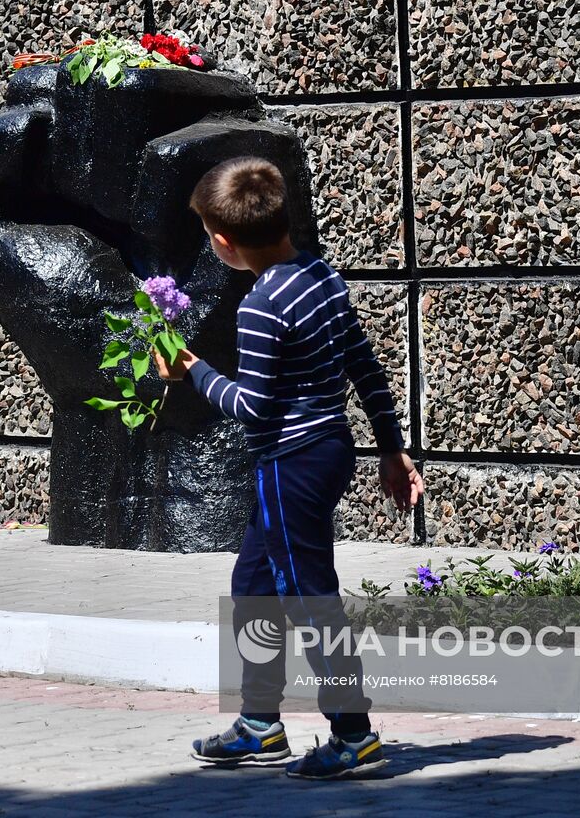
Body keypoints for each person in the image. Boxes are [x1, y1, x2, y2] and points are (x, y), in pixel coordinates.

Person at [154, 156, 424, 780]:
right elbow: (365, 367)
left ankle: (353, 734)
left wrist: (193, 371)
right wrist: (391, 446)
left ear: (221, 241)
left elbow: (253, 409)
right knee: (253, 585)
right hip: (330, 449)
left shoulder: (260, 305)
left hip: (289, 464)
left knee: (308, 598)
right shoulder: (321, 276)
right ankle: (259, 725)